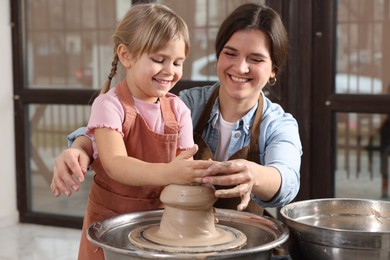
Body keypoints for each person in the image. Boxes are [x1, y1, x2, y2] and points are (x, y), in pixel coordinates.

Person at [52, 3, 302, 219]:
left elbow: (287, 181)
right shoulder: (187, 104)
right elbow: (115, 130)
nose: (241, 67)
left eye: (256, 59)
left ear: (273, 70)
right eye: (230, 53)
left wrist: (255, 175)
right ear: (218, 56)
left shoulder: (279, 124)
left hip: (241, 240)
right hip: (172, 229)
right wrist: (80, 147)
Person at [65, 3, 218, 259]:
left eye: (178, 62)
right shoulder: (109, 105)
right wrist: (169, 172)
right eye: (159, 59)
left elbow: (184, 170)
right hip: (109, 227)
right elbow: (115, 164)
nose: (170, 71)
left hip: (160, 226)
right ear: (126, 55)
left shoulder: (178, 109)